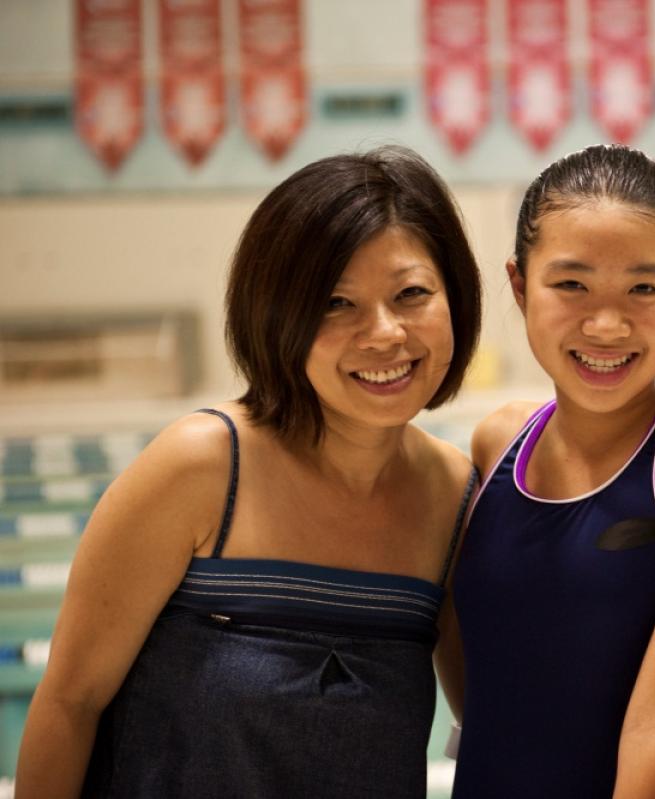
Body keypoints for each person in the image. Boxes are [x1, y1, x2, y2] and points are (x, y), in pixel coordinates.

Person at [16, 146, 484, 798]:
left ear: (454, 298)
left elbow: (490, 721)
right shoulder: (201, 468)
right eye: (336, 302)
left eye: (411, 294)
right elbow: (70, 702)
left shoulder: (453, 498)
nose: (385, 334)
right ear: (278, 316)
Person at [437, 145, 655, 799]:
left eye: (645, 288)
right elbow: (477, 694)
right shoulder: (495, 446)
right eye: (571, 285)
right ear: (519, 285)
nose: (606, 322)